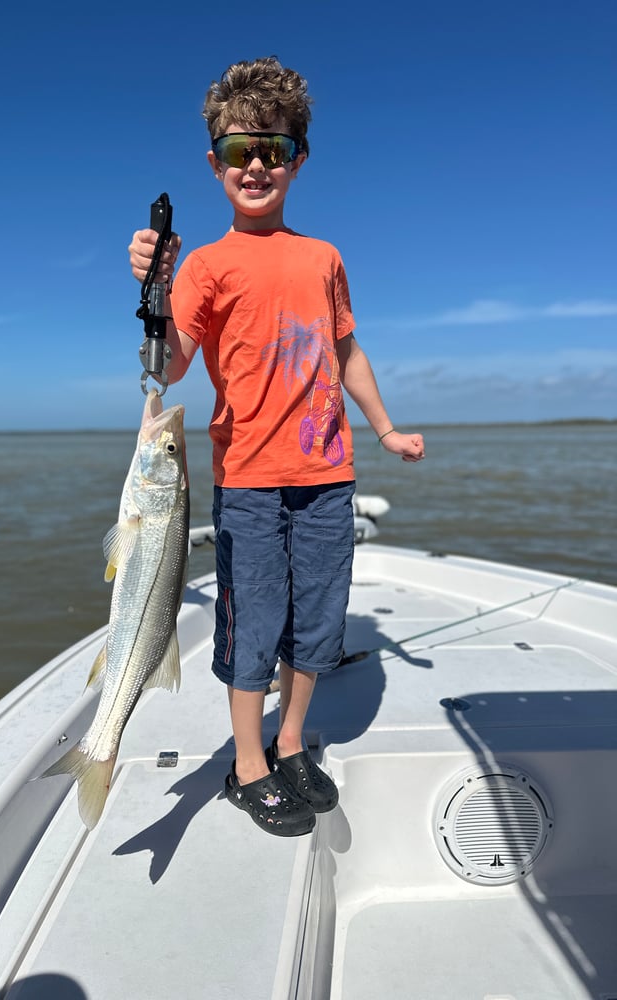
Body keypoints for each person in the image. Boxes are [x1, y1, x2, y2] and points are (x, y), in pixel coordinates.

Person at [128, 56, 425, 837]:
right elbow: (170, 365)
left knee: (318, 621)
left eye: (273, 149)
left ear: (298, 158)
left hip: (328, 473)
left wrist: (386, 427)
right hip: (250, 481)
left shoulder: (323, 258)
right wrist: (153, 296)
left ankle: (291, 743)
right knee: (251, 622)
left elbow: (348, 352)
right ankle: (248, 763)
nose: (255, 164)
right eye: (238, 152)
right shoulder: (204, 265)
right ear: (215, 164)